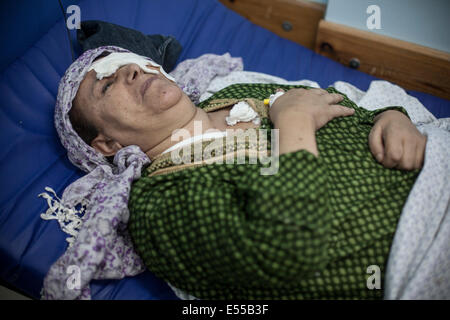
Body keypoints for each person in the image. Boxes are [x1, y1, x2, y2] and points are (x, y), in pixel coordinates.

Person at [47, 46, 427, 300]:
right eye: (108, 83)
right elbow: (291, 249)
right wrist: (292, 120)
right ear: (107, 145)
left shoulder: (235, 90)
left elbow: (342, 99)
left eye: (129, 60)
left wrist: (391, 117)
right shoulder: (159, 203)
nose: (130, 69)